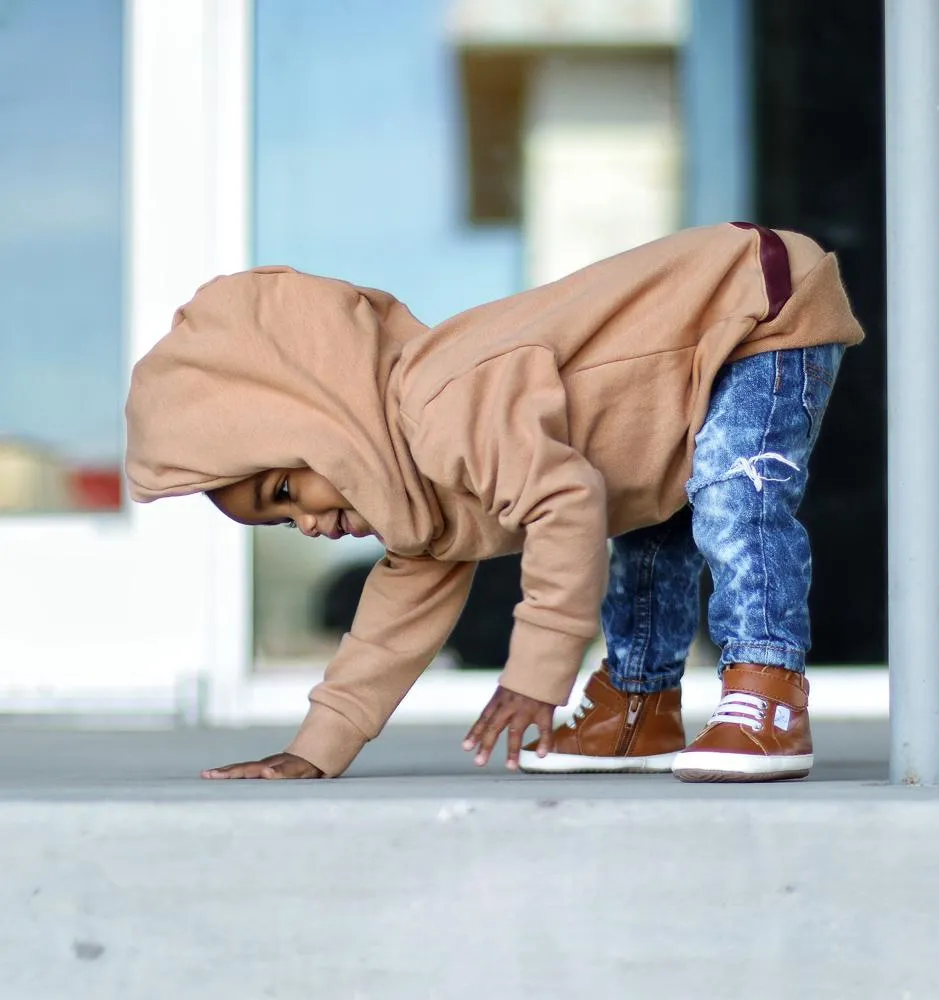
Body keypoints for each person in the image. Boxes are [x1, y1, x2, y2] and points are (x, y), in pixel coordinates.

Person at [124, 222, 863, 783]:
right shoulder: (422, 512)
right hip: (666, 405)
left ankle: (767, 690)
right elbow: (386, 635)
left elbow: (565, 504)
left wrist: (535, 677)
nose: (308, 524)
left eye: (285, 490)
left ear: (323, 416)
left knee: (734, 496)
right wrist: (311, 754)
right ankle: (640, 708)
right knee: (648, 531)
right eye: (281, 521)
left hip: (749, 308)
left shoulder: (445, 407)